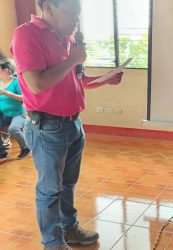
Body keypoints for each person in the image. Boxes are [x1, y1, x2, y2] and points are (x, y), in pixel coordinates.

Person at [10, 0, 123, 249]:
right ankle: (53, 243)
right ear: (49, 8)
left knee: (68, 184)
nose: (76, 22)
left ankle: (69, 229)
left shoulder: (68, 40)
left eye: (78, 15)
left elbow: (75, 79)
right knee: (50, 191)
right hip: (47, 127)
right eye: (71, 14)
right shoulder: (26, 35)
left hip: (73, 124)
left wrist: (106, 79)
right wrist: (72, 60)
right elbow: (36, 83)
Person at [0, 58, 30, 162]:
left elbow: (24, 98)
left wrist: (8, 94)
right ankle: (2, 153)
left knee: (13, 129)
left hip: (19, 113)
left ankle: (26, 148)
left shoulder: (16, 82)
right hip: (4, 114)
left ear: (6, 70)